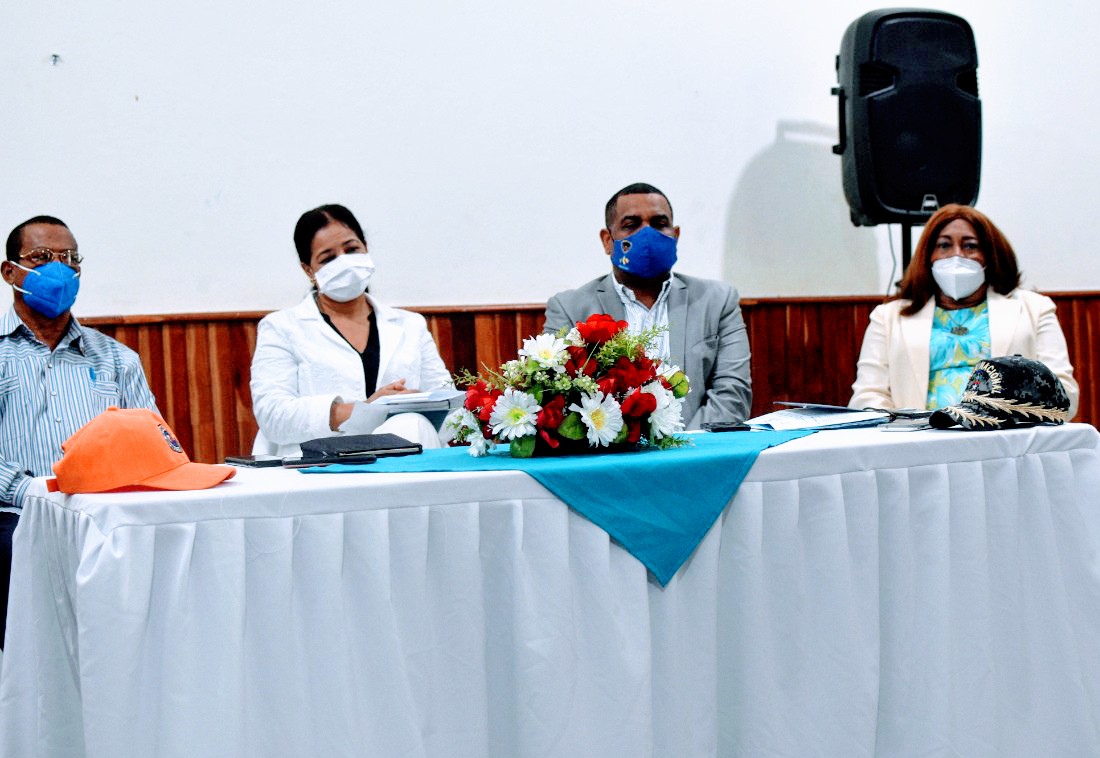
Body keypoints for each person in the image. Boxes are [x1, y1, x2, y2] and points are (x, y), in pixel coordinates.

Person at [0, 215, 158, 650]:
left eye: (70, 259)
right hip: (15, 514)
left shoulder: (116, 359)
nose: (60, 268)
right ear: (10, 271)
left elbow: (152, 444)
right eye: (42, 257)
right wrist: (31, 490)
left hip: (107, 513)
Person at [250, 204, 453, 456]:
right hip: (321, 463)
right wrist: (366, 410)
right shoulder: (281, 327)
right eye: (328, 258)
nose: (344, 262)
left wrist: (415, 405)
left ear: (365, 248)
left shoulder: (411, 325)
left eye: (352, 249)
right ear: (308, 270)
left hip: (412, 451)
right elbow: (273, 415)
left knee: (410, 424)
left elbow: (450, 407)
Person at [543, 183, 752, 428]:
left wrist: (686, 444)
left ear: (675, 235)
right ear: (608, 240)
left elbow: (733, 394)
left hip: (697, 446)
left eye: (659, 224)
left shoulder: (717, 301)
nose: (647, 235)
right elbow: (558, 400)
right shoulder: (569, 309)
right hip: (611, 450)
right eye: (631, 225)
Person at [850, 204, 1079, 416]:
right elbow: (867, 396)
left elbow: (1064, 394)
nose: (957, 255)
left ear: (990, 256)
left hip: (1008, 438)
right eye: (944, 245)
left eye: (970, 246)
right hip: (917, 441)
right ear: (928, 256)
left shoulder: (1035, 309)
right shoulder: (887, 318)